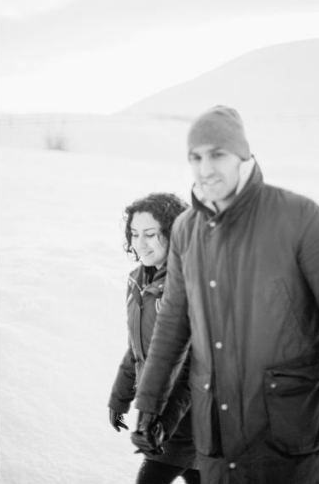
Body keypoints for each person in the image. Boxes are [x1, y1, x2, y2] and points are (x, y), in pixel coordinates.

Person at [131, 106, 319, 484]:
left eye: (217, 154)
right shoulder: (185, 230)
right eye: (196, 157)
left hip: (291, 438)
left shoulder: (299, 216)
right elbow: (172, 327)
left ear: (243, 156)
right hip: (218, 442)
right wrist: (149, 406)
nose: (205, 167)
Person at [108, 192, 200, 484]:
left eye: (150, 234)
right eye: (134, 234)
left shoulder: (187, 284)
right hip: (163, 414)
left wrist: (160, 420)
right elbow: (138, 347)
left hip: (194, 415)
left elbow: (193, 364)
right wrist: (120, 398)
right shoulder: (139, 280)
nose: (140, 243)